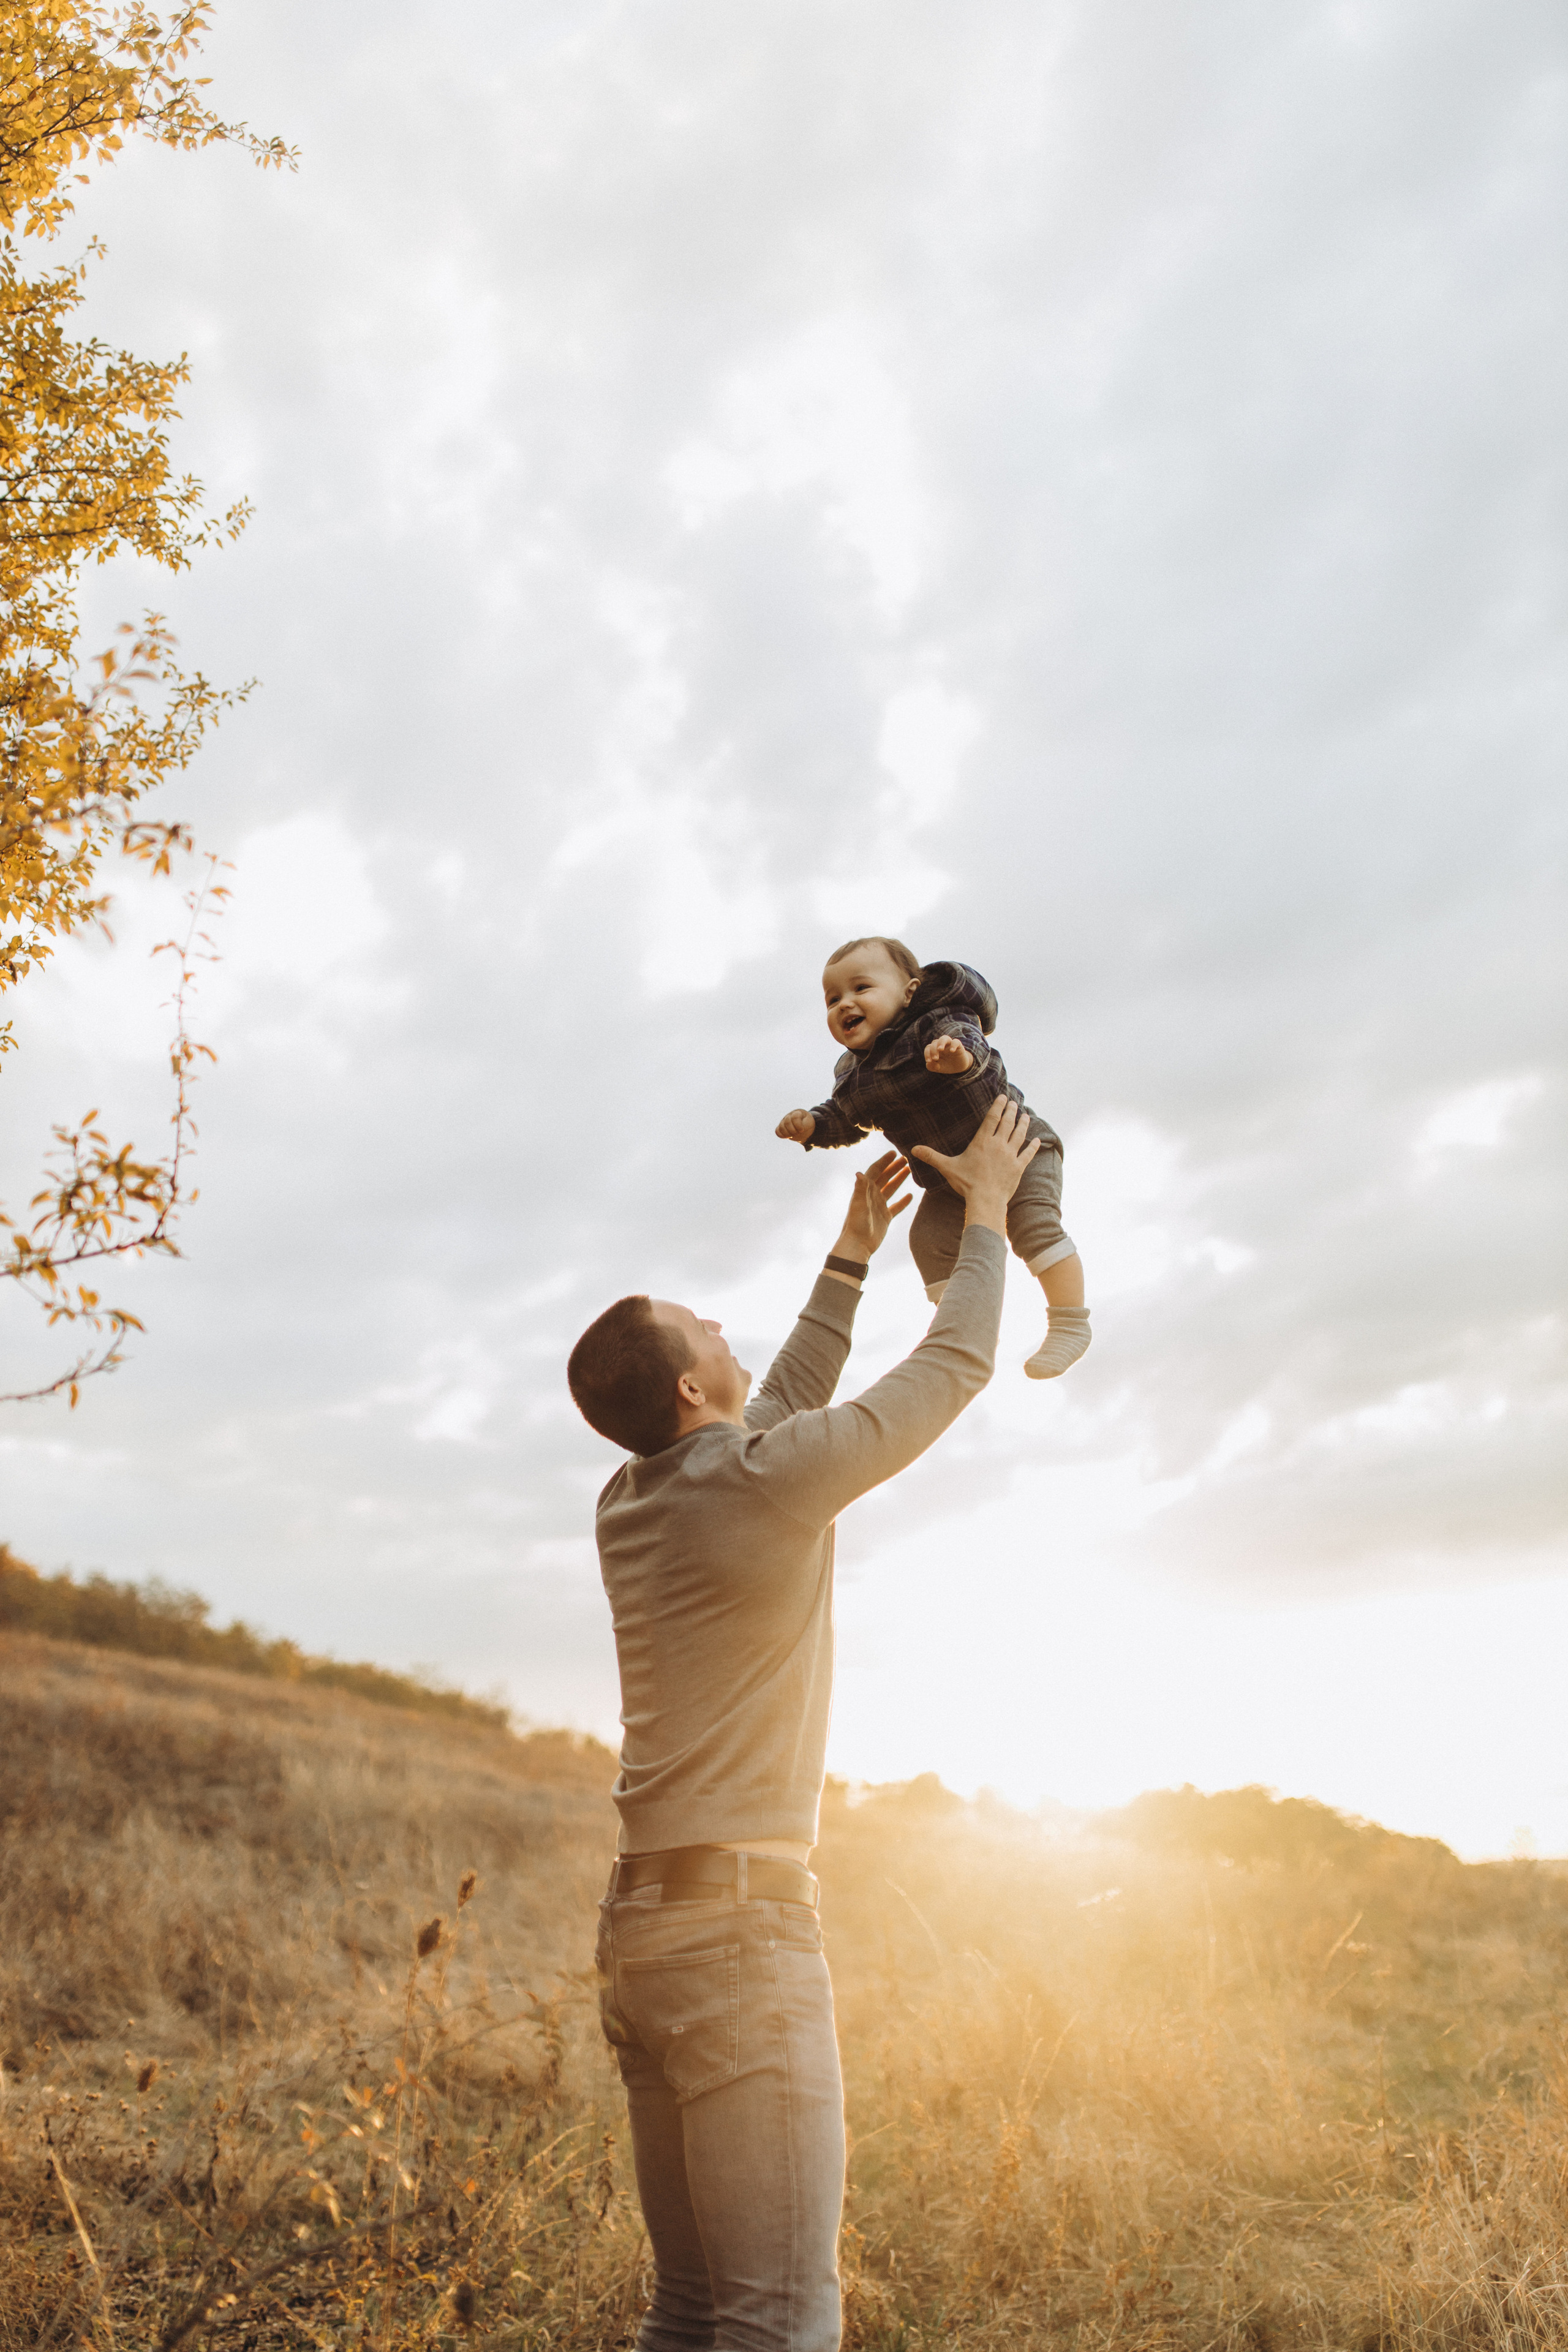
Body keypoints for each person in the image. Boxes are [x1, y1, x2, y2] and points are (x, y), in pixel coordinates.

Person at [565, 1099, 1040, 2352]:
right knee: (778, 2321)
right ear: (683, 1382)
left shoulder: (634, 1497)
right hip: (735, 1938)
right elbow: (951, 1369)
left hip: (643, 1935)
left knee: (689, 2308)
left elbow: (763, 1409)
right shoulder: (756, 1481)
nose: (726, 1324)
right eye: (702, 1325)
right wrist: (984, 1214)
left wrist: (850, 1256)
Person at [775, 935, 1091, 1379]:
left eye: (861, 988)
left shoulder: (939, 1023)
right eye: (832, 998)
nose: (844, 1003)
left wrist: (957, 1059)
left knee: (1032, 1227)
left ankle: (1069, 1323)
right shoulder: (854, 1077)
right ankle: (967, 1330)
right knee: (927, 1241)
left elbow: (972, 1044)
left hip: (1020, 1150)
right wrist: (813, 1125)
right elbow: (848, 1118)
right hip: (949, 1186)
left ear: (909, 991)